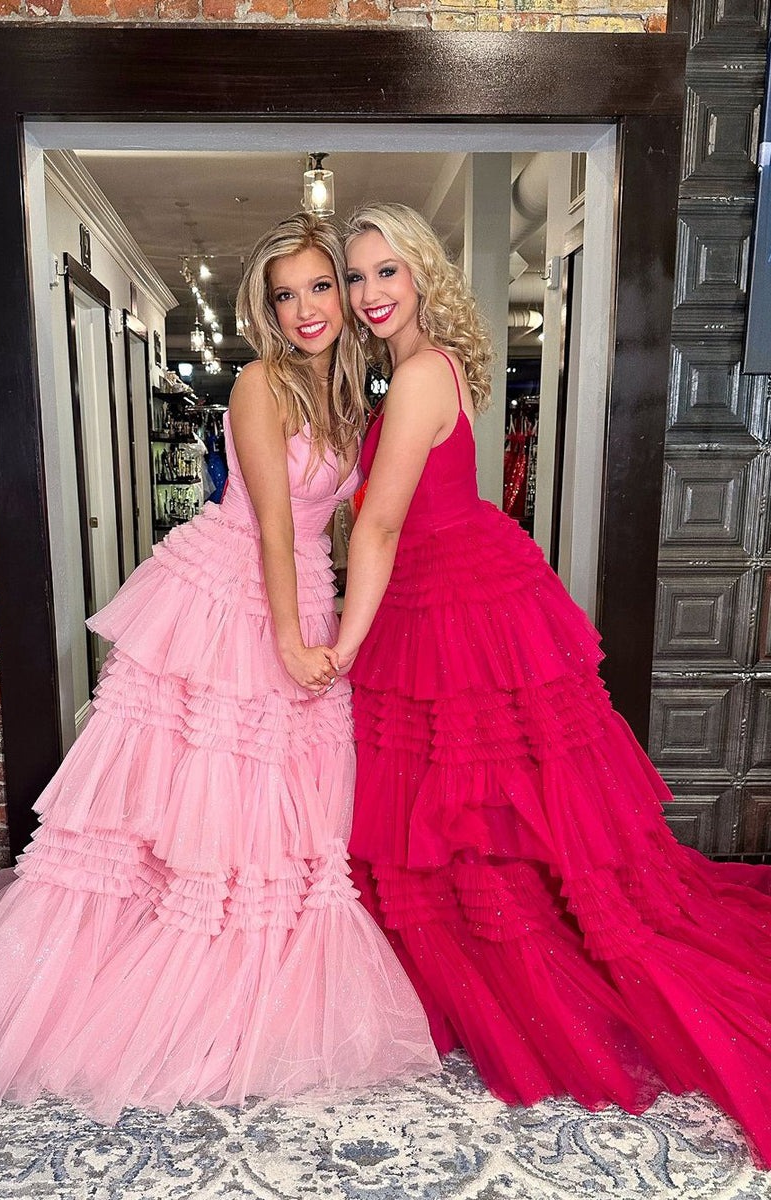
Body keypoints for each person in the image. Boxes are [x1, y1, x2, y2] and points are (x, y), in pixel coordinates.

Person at [0, 213, 438, 1124]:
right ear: (264, 309)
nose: (306, 309)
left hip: (307, 588)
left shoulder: (349, 392)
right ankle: (162, 991)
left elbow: (351, 520)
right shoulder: (262, 382)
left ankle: (258, 989)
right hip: (236, 595)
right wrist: (291, 640)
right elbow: (273, 525)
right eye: (285, 295)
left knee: (280, 809)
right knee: (207, 801)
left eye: (321, 287)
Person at [333, 201, 771, 1167]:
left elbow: (380, 524)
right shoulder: (427, 366)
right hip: (455, 582)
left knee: (465, 800)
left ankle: (508, 973)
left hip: (444, 594)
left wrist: (343, 642)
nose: (368, 293)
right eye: (356, 276)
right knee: (477, 796)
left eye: (385, 271)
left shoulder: (417, 374)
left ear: (422, 273)